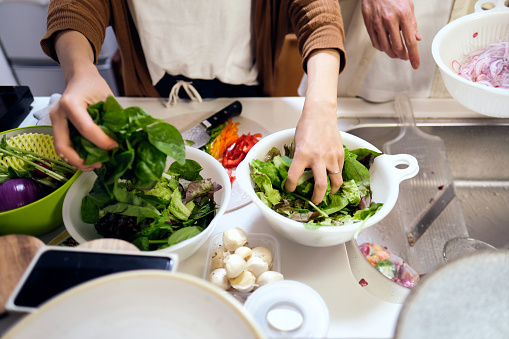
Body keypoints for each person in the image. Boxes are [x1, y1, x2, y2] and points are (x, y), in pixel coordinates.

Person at [41, 0, 346, 205]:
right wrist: (80, 69)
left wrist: (321, 107)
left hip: (250, 90)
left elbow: (317, 11)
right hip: (153, 95)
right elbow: (74, 6)